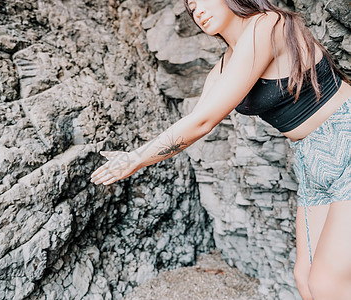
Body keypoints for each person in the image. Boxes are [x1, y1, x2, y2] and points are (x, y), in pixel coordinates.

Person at [90, 0, 351, 298]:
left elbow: (204, 121)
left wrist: (137, 159)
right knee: (304, 279)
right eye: (190, 5)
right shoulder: (224, 65)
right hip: (311, 161)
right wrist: (136, 157)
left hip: (346, 137)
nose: (196, 9)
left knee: (326, 282)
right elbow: (194, 123)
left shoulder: (268, 25)